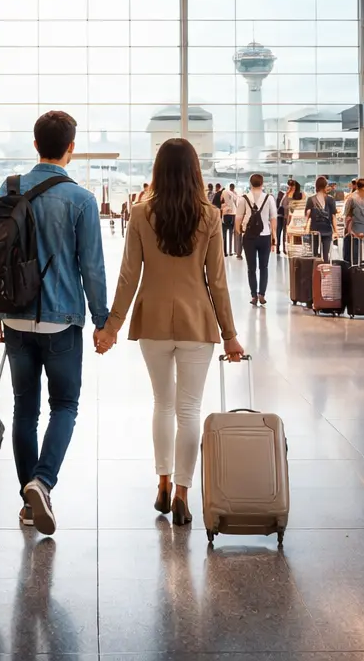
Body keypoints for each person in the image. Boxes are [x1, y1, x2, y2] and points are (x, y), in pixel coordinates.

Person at [97, 137, 244, 526]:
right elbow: (218, 282)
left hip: (154, 320)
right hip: (198, 322)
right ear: (195, 171)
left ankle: (162, 483)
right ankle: (182, 493)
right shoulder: (209, 216)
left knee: (162, 404)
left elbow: (130, 275)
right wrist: (229, 334)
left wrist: (112, 327)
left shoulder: (142, 214)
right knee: (189, 408)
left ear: (158, 170)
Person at [0, 111, 108, 537]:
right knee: (65, 406)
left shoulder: (10, 188)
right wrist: (102, 322)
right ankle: (43, 481)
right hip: (62, 320)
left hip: (15, 316)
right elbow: (91, 267)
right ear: (70, 148)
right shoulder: (81, 200)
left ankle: (27, 500)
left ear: (35, 145)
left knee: (24, 409)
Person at [236, 173, 277, 307]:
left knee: (251, 268)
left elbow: (238, 218)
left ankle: (253, 295)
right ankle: (262, 294)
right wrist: (274, 234)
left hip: (249, 237)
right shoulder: (269, 198)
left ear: (250, 183)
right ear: (262, 183)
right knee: (264, 267)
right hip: (265, 235)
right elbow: (273, 218)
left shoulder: (243, 199)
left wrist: (239, 231)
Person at [306, 176, 336, 262]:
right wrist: (336, 231)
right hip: (327, 229)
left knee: (314, 254)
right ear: (325, 186)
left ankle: (315, 273)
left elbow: (307, 215)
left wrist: (305, 227)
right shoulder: (330, 200)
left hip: (314, 229)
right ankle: (325, 273)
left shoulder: (311, 199)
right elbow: (333, 216)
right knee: (326, 255)